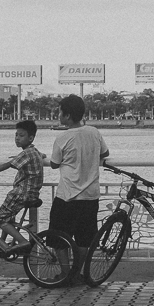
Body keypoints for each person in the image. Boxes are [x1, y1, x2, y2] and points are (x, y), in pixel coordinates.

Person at [49, 94, 110, 278]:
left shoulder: (62, 137)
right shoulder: (94, 132)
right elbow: (105, 152)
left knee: (58, 237)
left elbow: (53, 163)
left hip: (67, 196)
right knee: (85, 239)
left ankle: (66, 273)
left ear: (67, 115)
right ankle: (77, 273)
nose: (58, 115)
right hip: (90, 196)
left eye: (60, 112)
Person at [0, 119, 45, 255]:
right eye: (16, 135)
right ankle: (2, 245)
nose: (17, 138)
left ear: (31, 137)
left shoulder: (26, 153)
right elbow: (41, 155)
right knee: (8, 216)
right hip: (31, 193)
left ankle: (22, 242)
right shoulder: (34, 151)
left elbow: (8, 165)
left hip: (22, 193)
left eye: (21, 136)